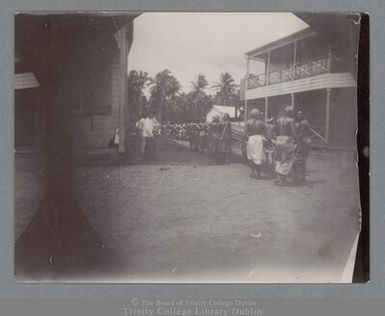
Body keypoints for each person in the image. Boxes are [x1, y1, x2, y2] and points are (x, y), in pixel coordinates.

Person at [271, 105, 296, 185]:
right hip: (287, 140)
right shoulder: (291, 120)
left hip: (278, 140)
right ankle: (283, 181)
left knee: (278, 159)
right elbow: (293, 132)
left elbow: (272, 129)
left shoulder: (278, 120)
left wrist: (273, 137)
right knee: (286, 160)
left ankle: (278, 179)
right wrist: (296, 139)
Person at [244, 109, 267, 178]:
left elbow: (245, 133)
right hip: (259, 139)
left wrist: (243, 141)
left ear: (251, 114)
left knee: (250, 155)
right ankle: (258, 174)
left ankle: (253, 171)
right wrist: (267, 140)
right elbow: (265, 133)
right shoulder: (262, 123)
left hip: (251, 139)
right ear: (258, 114)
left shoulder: (248, 122)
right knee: (258, 156)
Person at [293, 110, 312, 184]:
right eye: (297, 114)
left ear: (303, 114)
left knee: (301, 160)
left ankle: (300, 178)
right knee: (302, 161)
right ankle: (300, 177)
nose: (298, 115)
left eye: (300, 114)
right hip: (303, 140)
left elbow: (301, 133)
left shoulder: (304, 122)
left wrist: (295, 138)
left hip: (303, 141)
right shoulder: (301, 122)